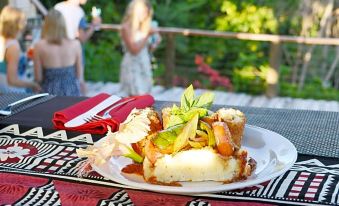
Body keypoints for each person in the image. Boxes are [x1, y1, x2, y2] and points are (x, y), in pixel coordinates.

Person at [33, 9, 84, 96]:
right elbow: (79, 75)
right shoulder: (76, 44)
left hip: (49, 92)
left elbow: (38, 78)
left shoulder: (39, 46)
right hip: (71, 92)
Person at [120, 0, 161, 96]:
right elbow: (134, 50)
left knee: (145, 95)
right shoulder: (126, 27)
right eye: (143, 12)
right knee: (135, 95)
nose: (145, 15)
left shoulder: (144, 27)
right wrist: (147, 34)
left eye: (147, 12)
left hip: (144, 63)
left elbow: (148, 50)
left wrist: (155, 43)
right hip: (132, 66)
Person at [0, 6, 40, 93]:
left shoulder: (4, 40)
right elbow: (12, 80)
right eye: (23, 20)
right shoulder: (13, 46)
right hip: (14, 93)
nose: (25, 23)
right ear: (15, 23)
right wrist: (33, 84)